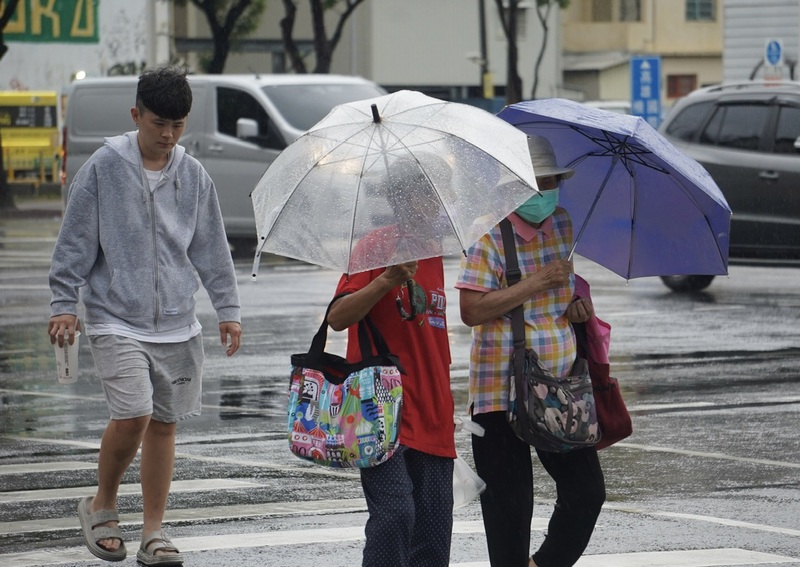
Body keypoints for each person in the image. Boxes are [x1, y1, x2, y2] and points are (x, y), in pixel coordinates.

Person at [48, 66, 242, 566]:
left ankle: (153, 532)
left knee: (163, 424)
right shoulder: (103, 169)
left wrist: (228, 309)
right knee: (133, 413)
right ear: (136, 115)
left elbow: (212, 248)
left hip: (178, 321)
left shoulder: (193, 176)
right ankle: (102, 504)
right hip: (115, 316)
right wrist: (64, 304)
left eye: (178, 125)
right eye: (159, 123)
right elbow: (74, 241)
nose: (168, 135)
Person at [455, 134, 606, 567]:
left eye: (551, 182)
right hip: (499, 391)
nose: (545, 192)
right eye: (535, 183)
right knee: (510, 512)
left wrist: (577, 309)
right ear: (514, 186)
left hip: (560, 387)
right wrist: (536, 282)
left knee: (586, 492)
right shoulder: (487, 233)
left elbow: (561, 298)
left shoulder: (562, 224)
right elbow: (471, 310)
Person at [326, 157, 456, 567]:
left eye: (442, 192)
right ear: (408, 198)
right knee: (395, 514)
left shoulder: (435, 253)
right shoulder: (375, 247)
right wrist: (386, 279)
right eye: (432, 193)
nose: (441, 202)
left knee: (433, 536)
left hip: (433, 412)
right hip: (379, 410)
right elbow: (338, 317)